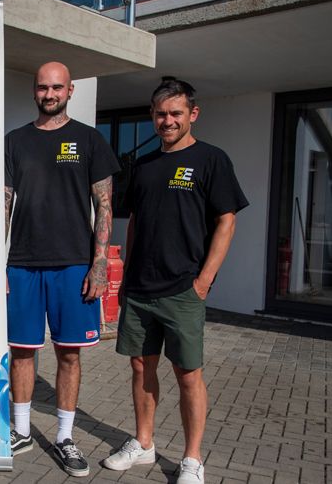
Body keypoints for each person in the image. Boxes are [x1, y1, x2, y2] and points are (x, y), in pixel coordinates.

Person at [105, 78, 248, 483]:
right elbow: (134, 220)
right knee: (140, 367)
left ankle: (192, 459)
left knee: (188, 375)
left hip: (184, 288)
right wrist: (129, 271)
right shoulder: (146, 165)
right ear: (152, 115)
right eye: (161, 113)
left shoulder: (211, 160)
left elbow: (227, 221)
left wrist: (204, 281)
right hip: (141, 288)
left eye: (176, 114)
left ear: (192, 114)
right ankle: (144, 444)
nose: (167, 121)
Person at [4, 61, 120, 477]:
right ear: (34, 92)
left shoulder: (89, 140)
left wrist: (100, 263)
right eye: (42, 88)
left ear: (70, 90)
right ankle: (19, 431)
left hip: (74, 265)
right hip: (22, 264)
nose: (49, 94)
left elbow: (104, 204)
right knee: (21, 350)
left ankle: (65, 437)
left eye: (56, 88)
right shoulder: (15, 141)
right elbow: (4, 202)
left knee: (68, 354)